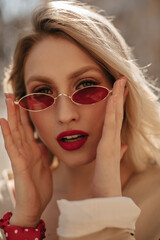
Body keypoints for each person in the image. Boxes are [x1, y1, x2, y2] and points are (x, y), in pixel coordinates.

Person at [0, 1, 160, 239]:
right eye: (42, 92)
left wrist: (106, 208)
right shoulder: (7, 202)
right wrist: (24, 222)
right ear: (25, 111)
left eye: (86, 85)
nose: (65, 115)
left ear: (122, 92)